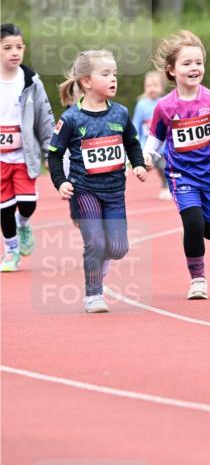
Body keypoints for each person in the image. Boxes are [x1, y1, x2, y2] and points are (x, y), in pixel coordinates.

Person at [143, 30, 210, 299]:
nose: (194, 68)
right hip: (181, 175)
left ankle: (202, 230)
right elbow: (155, 137)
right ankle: (198, 279)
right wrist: (146, 156)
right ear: (172, 70)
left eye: (198, 62)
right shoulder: (165, 107)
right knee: (192, 224)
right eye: (187, 63)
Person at [47, 50, 147, 313]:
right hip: (85, 190)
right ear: (86, 81)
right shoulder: (71, 118)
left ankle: (102, 261)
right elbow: (54, 154)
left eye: (115, 73)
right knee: (95, 242)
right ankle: (93, 295)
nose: (114, 78)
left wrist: (137, 163)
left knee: (118, 248)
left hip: (114, 192)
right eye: (106, 74)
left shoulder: (120, 114)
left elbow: (132, 143)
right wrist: (60, 182)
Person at [0, 23, 55, 271]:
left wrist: (49, 152)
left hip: (24, 155)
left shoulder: (31, 81)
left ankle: (23, 223)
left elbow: (45, 118)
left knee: (28, 203)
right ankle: (11, 252)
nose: (15, 52)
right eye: (7, 48)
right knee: (4, 207)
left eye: (19, 47)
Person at [132, 70, 170, 200]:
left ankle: (166, 186)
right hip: (146, 145)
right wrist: (134, 141)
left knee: (163, 167)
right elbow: (136, 124)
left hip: (163, 145)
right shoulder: (141, 105)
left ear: (161, 88)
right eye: (148, 86)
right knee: (146, 165)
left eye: (155, 85)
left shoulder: (165, 103)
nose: (151, 88)